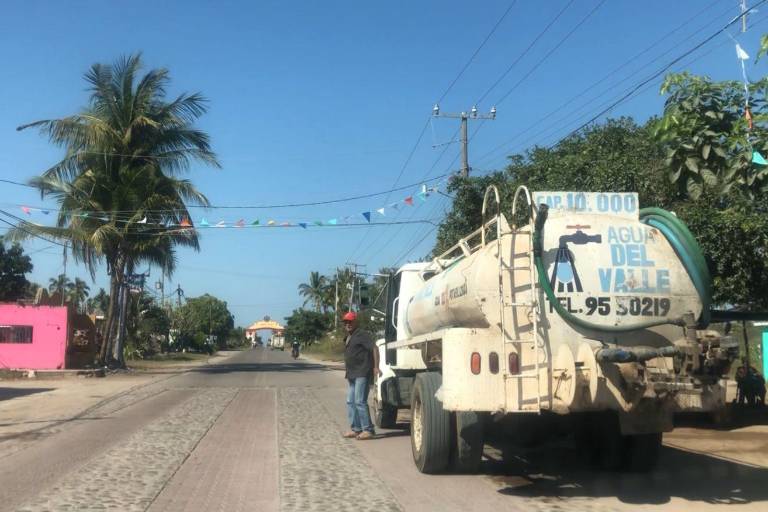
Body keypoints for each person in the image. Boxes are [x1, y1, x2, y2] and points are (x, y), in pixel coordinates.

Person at [341, 311, 381, 440]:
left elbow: (374, 348)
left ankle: (368, 430)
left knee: (359, 401)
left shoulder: (362, 334)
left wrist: (376, 367)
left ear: (355, 322)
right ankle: (356, 429)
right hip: (352, 374)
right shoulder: (348, 336)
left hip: (362, 372)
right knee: (350, 402)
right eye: (346, 322)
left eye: (350, 321)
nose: (348, 324)